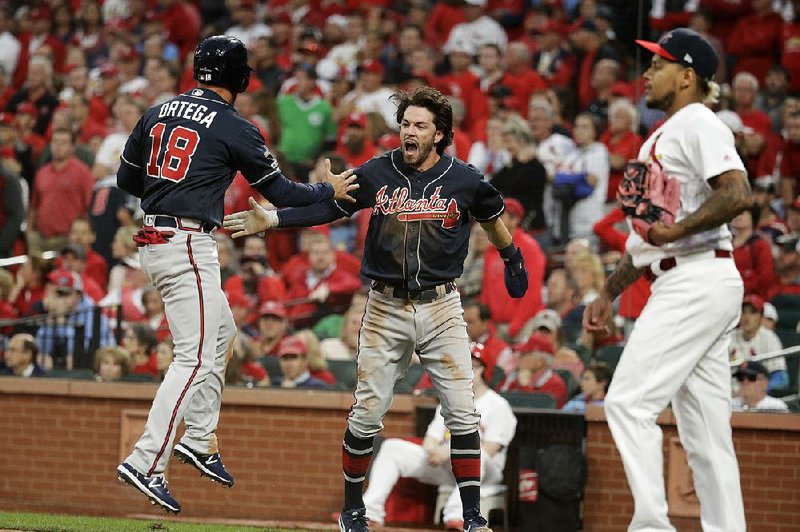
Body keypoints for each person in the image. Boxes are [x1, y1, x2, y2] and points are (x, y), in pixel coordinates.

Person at [224, 85, 529, 532]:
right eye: (405, 124)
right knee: (367, 411)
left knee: (463, 412)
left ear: (439, 133)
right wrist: (272, 219)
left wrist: (512, 257)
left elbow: (492, 219)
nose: (409, 132)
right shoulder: (378, 170)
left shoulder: (465, 179)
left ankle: (471, 518)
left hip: (441, 306)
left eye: (419, 125)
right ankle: (353, 510)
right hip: (385, 306)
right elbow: (331, 206)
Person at [114, 35, 358, 514]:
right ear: (240, 78)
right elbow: (283, 194)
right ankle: (146, 461)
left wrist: (176, 185)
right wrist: (325, 190)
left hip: (158, 240)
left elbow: (127, 180)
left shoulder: (159, 110)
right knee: (195, 357)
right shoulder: (233, 124)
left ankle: (200, 439)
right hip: (185, 243)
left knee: (222, 332)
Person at [584, 29, 751, 532]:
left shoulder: (699, 122)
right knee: (705, 437)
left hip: (694, 278)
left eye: (658, 65)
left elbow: (738, 193)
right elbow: (648, 234)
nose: (648, 73)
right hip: (696, 276)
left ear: (687, 76)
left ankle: (652, 525)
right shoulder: (664, 133)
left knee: (627, 402)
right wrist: (609, 291)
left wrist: (676, 229)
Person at [362, 343, 517, 529]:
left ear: (485, 370)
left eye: (472, 366)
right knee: (393, 447)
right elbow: (430, 440)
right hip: (447, 466)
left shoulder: (498, 406)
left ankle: (458, 516)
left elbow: (490, 449)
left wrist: (448, 452)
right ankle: (370, 513)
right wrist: (434, 451)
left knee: (476, 454)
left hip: (484, 472)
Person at [729, 295, 789, 392]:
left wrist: (758, 391)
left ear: (761, 317)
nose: (747, 317)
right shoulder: (729, 337)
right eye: (744, 312)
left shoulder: (770, 338)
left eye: (753, 312)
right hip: (731, 393)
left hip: (758, 396)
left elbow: (781, 378)